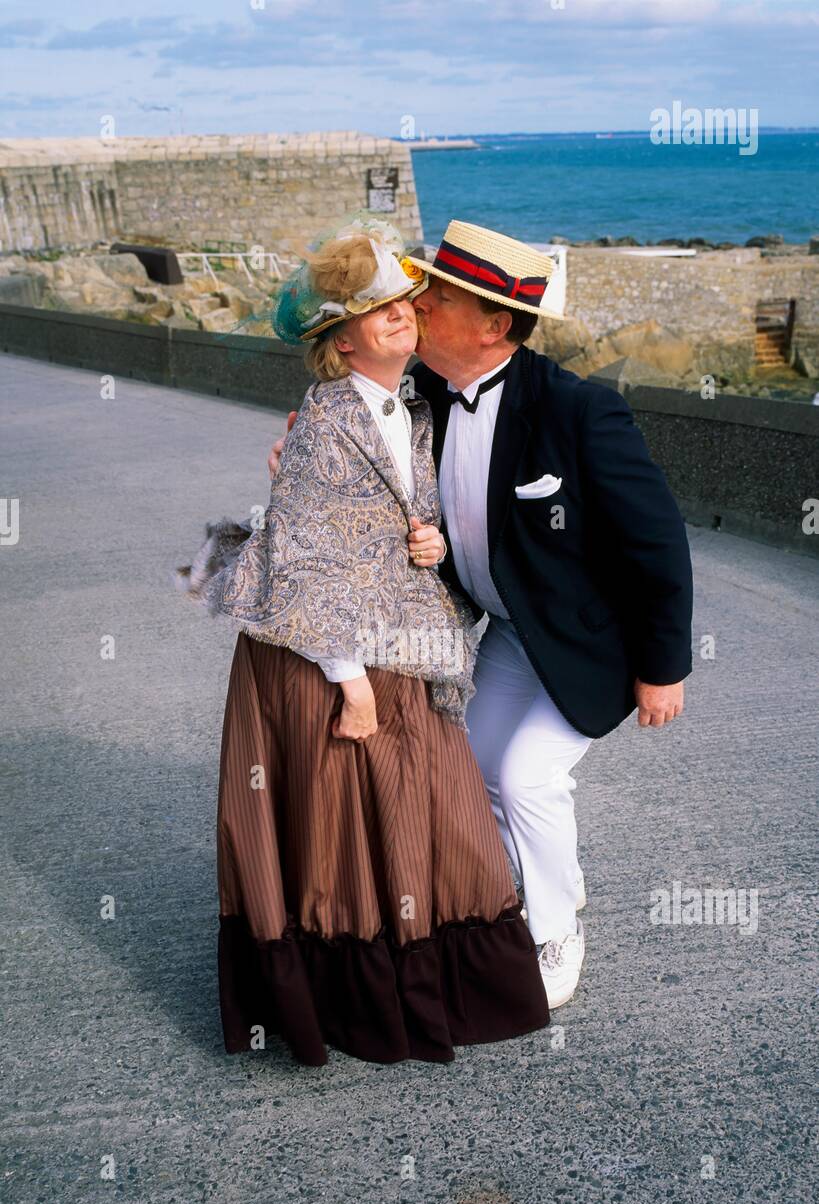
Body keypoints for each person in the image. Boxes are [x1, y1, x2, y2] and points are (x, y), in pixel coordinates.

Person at [269, 219, 694, 1010]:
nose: (417, 303)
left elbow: (657, 544)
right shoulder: (422, 391)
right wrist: (300, 445)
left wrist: (663, 667)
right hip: (504, 634)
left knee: (526, 778)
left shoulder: (580, 411)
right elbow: (358, 423)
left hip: (589, 644)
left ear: (493, 323)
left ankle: (553, 928)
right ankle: (546, 888)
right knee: (475, 774)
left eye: (437, 295)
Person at [176, 214, 550, 1067]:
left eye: (404, 302)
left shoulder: (408, 408)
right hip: (327, 655)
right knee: (344, 837)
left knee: (426, 816)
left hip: (390, 640)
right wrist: (349, 684)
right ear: (339, 341)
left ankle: (431, 992)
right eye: (376, 308)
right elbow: (307, 561)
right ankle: (356, 1008)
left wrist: (433, 544)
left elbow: (389, 519)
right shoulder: (325, 422)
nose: (399, 315)